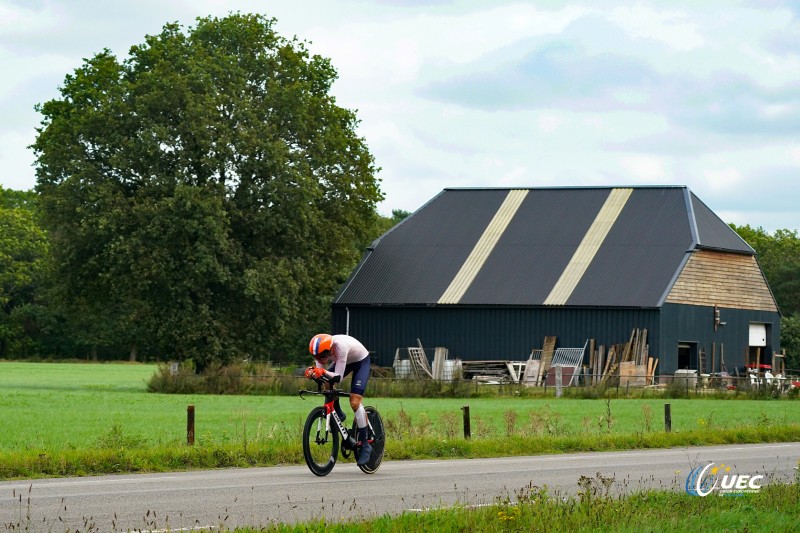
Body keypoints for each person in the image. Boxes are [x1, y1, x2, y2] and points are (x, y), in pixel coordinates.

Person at [305, 333, 373, 466]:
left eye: (323, 356)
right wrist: (313, 373)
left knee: (354, 402)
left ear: (330, 350)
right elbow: (322, 375)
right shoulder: (321, 352)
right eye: (316, 357)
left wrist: (322, 372)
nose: (320, 359)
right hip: (345, 361)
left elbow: (338, 378)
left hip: (360, 361)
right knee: (326, 382)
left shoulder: (340, 347)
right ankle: (338, 413)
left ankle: (365, 445)